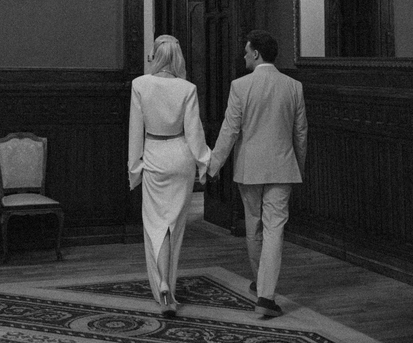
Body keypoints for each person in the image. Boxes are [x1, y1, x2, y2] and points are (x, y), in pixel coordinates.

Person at [209, 30, 307, 319]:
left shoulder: (240, 86)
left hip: (249, 169)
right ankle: (266, 294)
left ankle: (260, 284)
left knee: (254, 227)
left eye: (246, 51)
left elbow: (229, 130)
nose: (243, 55)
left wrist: (213, 166)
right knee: (275, 229)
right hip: (283, 167)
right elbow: (301, 133)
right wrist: (298, 165)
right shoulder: (294, 86)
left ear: (255, 53)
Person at [128, 35, 210, 317]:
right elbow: (194, 132)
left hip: (154, 156)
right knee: (175, 226)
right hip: (181, 158)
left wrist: (134, 168)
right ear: (178, 58)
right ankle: (168, 287)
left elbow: (135, 132)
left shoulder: (140, 84)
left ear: (155, 56)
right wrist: (205, 162)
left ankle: (162, 284)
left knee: (156, 225)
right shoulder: (187, 88)